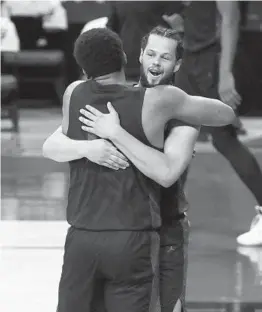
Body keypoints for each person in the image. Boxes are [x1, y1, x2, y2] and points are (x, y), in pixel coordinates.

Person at [43, 27, 235, 312]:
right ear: (136, 56)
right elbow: (52, 143)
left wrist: (115, 133)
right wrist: (89, 148)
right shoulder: (133, 99)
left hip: (164, 229)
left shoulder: (174, 106)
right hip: (127, 235)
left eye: (165, 57)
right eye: (151, 54)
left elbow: (170, 170)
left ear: (177, 64)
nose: (156, 63)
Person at [164, 1, 262, 246]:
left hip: (213, 61)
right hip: (190, 60)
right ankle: (170, 215)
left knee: (224, 140)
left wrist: (225, 73)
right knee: (180, 136)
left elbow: (230, 18)